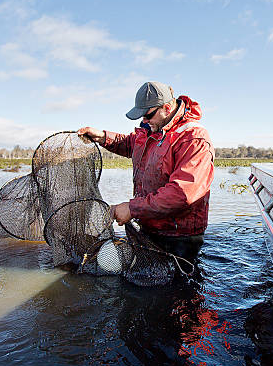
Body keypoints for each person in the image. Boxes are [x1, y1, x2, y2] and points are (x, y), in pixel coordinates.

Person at [78, 81, 214, 261]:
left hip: (178, 237)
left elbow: (182, 193)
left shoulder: (193, 138)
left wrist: (132, 209)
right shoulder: (152, 130)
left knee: (176, 287)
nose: (144, 121)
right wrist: (102, 137)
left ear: (166, 108)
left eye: (148, 115)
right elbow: (129, 144)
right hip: (150, 227)